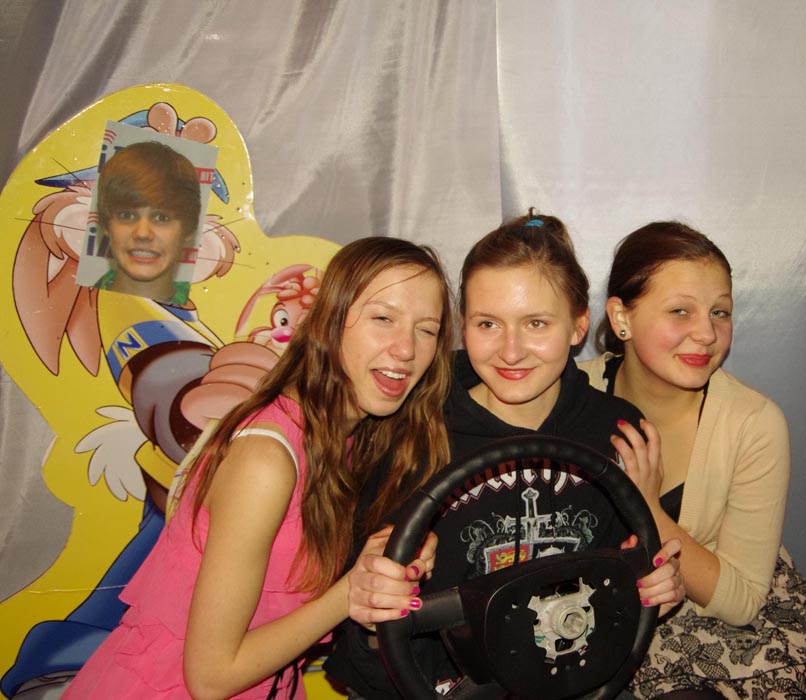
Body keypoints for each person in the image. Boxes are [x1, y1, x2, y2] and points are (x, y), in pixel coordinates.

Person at [64, 237, 454, 699]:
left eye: (426, 330)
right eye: (383, 318)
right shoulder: (267, 460)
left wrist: (391, 554)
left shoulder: (349, 438)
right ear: (330, 322)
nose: (406, 349)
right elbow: (211, 677)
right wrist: (351, 592)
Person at [325, 212, 684, 699]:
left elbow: (621, 597)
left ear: (579, 324)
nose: (510, 352)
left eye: (536, 323)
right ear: (462, 325)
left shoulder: (619, 433)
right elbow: (365, 645)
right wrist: (372, 611)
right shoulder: (408, 426)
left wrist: (655, 590)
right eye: (488, 324)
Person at [582, 221, 806, 700]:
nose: (706, 333)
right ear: (621, 317)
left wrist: (648, 508)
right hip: (601, 615)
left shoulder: (753, 423)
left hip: (723, 624)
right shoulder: (570, 395)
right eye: (680, 311)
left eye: (719, 312)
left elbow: (742, 602)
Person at [92, 140, 201, 304]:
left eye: (161, 218)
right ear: (106, 224)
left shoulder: (213, 314)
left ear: (189, 228)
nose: (142, 233)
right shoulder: (69, 305)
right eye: (127, 215)